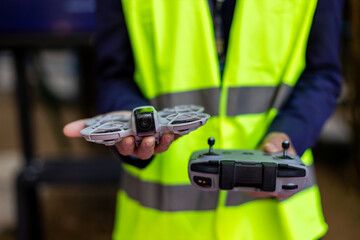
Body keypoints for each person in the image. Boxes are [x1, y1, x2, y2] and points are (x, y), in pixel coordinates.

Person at [64, 0, 343, 239]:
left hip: (273, 226)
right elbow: (114, 75)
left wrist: (287, 137)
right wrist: (131, 120)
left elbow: (323, 72)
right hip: (163, 227)